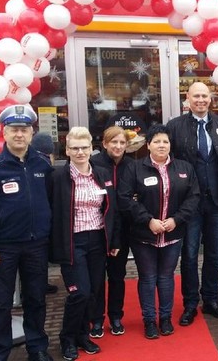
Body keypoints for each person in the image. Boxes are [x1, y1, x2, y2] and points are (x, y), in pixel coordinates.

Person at [0, 104, 54, 361]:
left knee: (36, 299)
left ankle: (37, 348)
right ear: (4, 133)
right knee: (2, 303)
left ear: (31, 133)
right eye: (14, 129)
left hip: (36, 245)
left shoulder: (42, 165)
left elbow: (50, 201)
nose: (19, 134)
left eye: (24, 129)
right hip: (2, 248)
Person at [167, 82, 218, 326]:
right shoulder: (175, 127)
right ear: (187, 99)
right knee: (189, 254)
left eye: (204, 96)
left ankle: (210, 299)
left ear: (211, 99)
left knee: (214, 253)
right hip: (189, 205)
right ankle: (190, 303)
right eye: (196, 96)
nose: (200, 100)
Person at [120, 124, 200, 338]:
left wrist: (177, 219)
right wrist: (148, 220)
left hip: (173, 234)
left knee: (166, 277)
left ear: (170, 145)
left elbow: (194, 197)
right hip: (143, 236)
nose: (161, 145)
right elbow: (125, 198)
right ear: (148, 145)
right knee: (147, 278)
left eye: (165, 141)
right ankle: (149, 321)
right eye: (157, 141)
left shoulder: (184, 168)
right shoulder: (134, 168)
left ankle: (164, 318)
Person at [49, 127, 120, 360]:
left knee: (93, 293)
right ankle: (67, 337)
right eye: (75, 148)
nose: (80, 152)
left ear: (92, 149)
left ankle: (82, 335)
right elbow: (50, 212)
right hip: (73, 242)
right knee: (79, 293)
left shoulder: (101, 174)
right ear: (67, 150)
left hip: (97, 241)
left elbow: (112, 210)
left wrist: (113, 238)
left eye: (84, 147)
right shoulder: (58, 177)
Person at [89, 126, 135, 337]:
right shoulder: (93, 164)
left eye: (122, 143)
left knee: (117, 276)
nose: (118, 146)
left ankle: (116, 316)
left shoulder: (132, 166)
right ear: (105, 144)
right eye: (113, 142)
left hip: (123, 230)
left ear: (127, 145)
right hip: (98, 230)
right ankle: (96, 319)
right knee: (97, 278)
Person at [31, 132, 59, 295]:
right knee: (39, 258)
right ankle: (41, 285)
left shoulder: (32, 161)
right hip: (42, 218)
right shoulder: (45, 164)